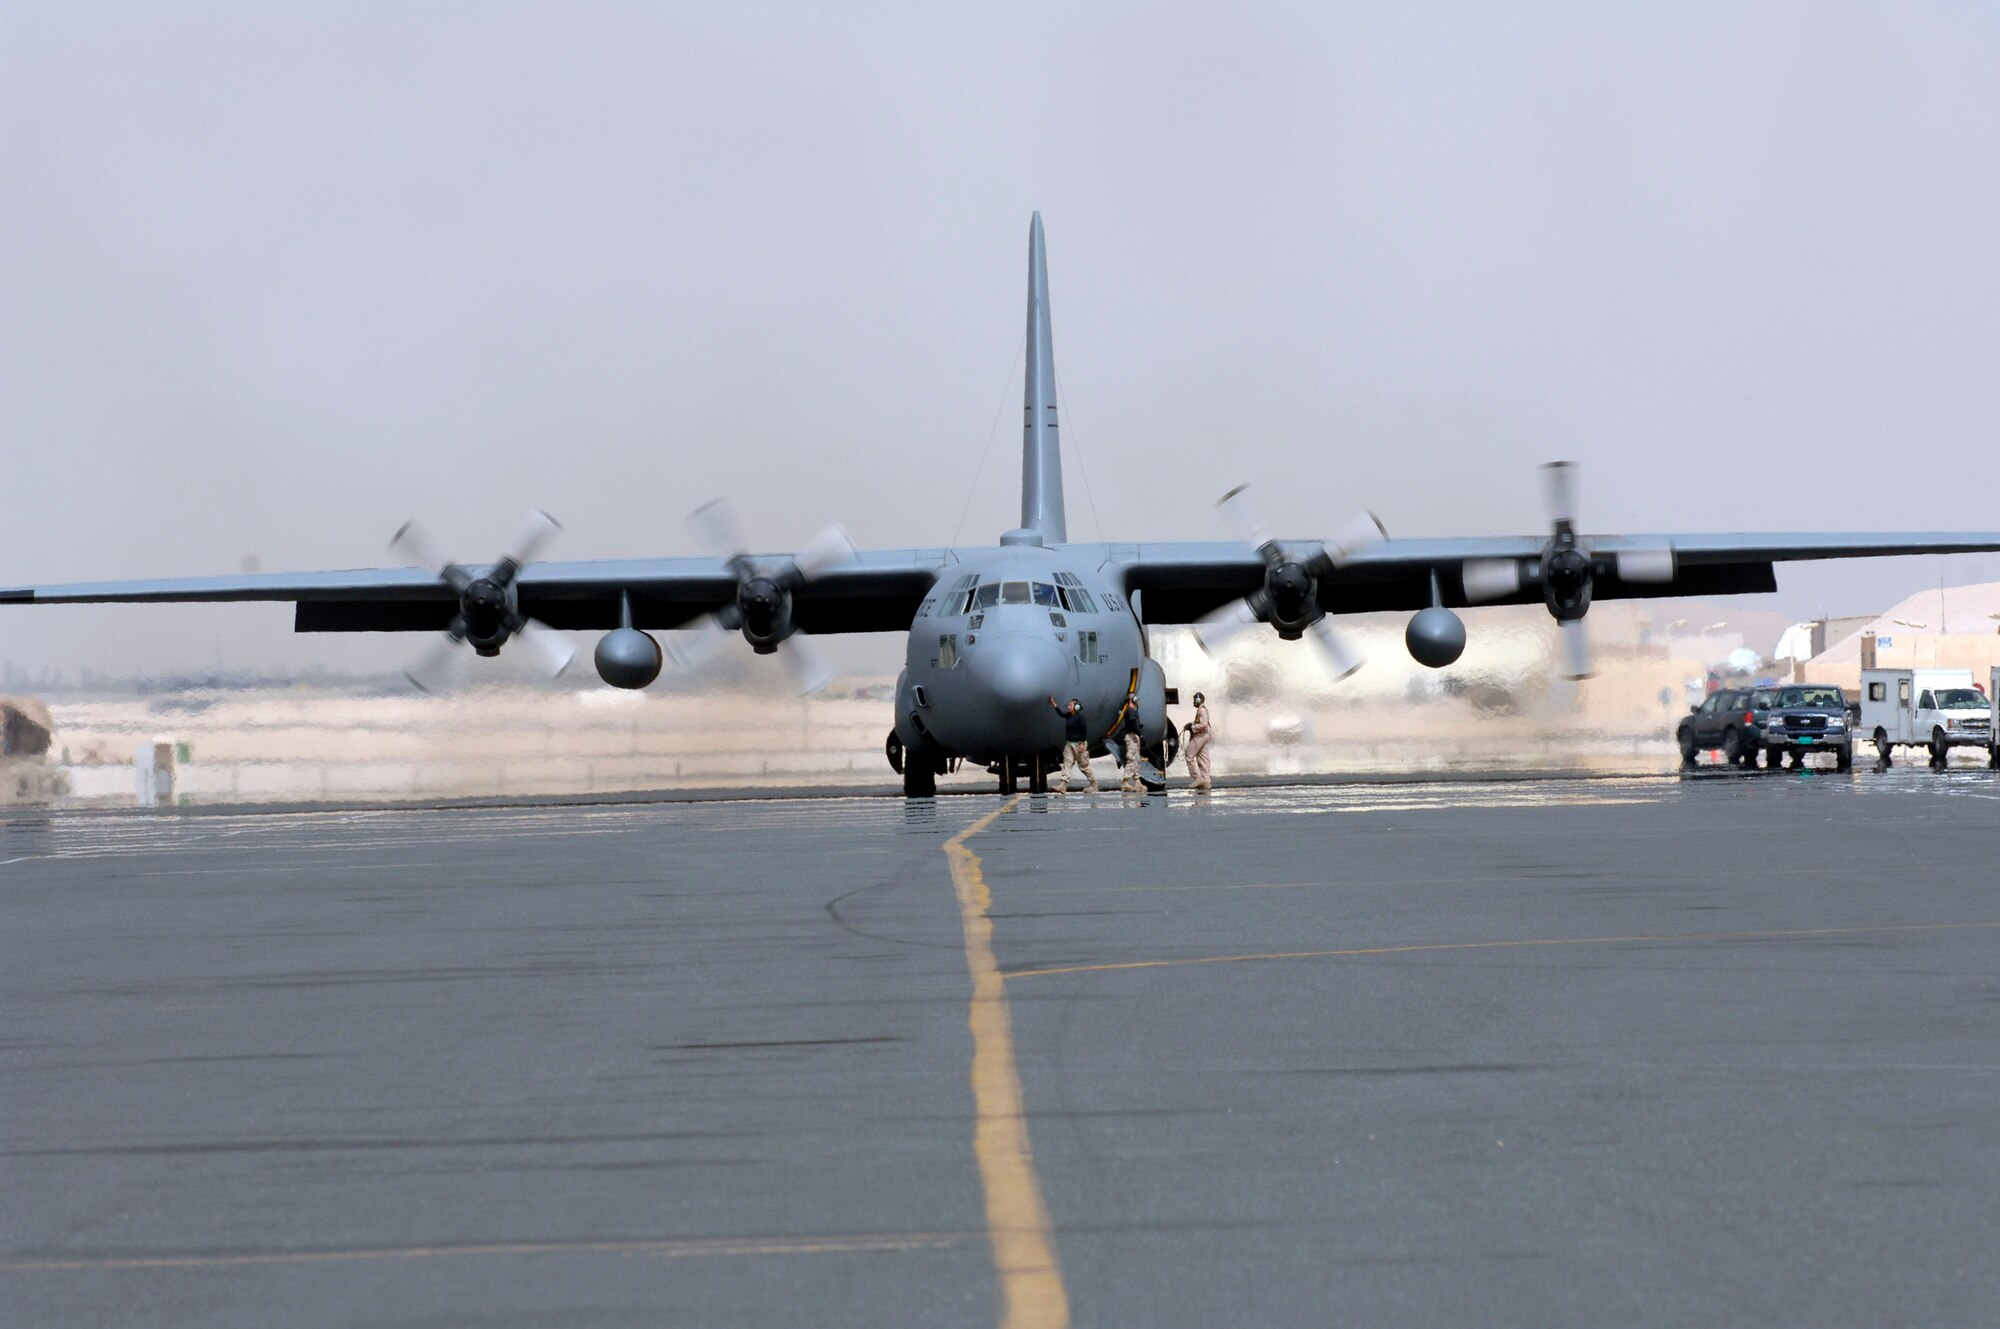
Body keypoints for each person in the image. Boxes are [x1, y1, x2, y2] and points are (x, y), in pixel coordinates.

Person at [1047, 696, 1097, 793]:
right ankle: (1063, 785)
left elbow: (1084, 730)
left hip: (1079, 745)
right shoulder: (1069, 715)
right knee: (1067, 764)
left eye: (1070, 705)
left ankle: (1094, 784)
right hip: (1069, 744)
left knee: (1084, 766)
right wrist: (1054, 704)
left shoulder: (1080, 717)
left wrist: (1082, 743)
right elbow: (1061, 714)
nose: (1068, 706)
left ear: (1076, 707)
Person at [1114, 695, 1146, 793]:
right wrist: (1140, 735)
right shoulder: (1130, 711)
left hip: (1133, 736)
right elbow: (1132, 725)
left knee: (1136, 759)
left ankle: (1137, 781)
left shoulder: (1132, 710)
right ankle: (1125, 782)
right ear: (1133, 700)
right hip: (1132, 736)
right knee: (1132, 759)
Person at [1184, 691, 1213, 792]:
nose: (1193, 702)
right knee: (1203, 758)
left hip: (1200, 736)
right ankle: (1206, 781)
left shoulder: (1202, 711)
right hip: (1204, 736)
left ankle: (1197, 778)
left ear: (1198, 700)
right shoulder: (1202, 710)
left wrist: (1192, 728)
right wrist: (1191, 724)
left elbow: (1204, 724)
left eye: (1194, 700)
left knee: (1189, 756)